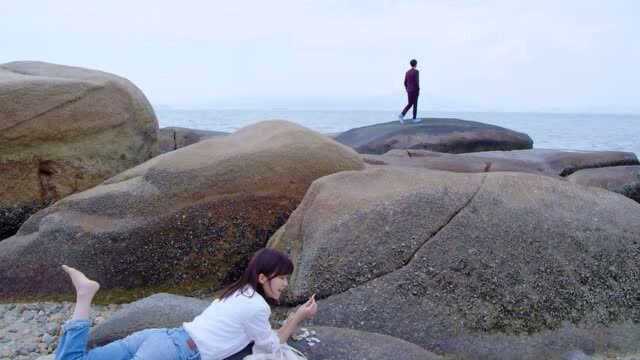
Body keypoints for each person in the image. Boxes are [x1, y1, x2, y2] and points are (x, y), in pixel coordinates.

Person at [55, 248, 318, 360]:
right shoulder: (257, 307)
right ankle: (85, 294)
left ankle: (85, 295)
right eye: (282, 277)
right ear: (263, 277)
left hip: (160, 338)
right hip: (176, 353)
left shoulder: (237, 293)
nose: (285, 283)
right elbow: (271, 346)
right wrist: (298, 317)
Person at [398, 59, 420, 124]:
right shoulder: (416, 71)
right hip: (415, 90)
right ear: (415, 64)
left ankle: (401, 115)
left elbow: (405, 82)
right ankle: (414, 119)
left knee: (410, 104)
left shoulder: (407, 72)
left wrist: (407, 89)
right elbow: (417, 81)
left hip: (409, 90)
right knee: (415, 104)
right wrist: (418, 89)